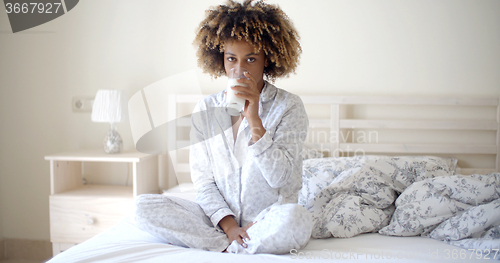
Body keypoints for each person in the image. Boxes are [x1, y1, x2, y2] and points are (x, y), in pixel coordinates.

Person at [135, 0, 311, 254]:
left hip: (267, 221)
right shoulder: (205, 109)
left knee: (298, 218)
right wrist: (229, 227)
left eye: (250, 59)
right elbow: (204, 181)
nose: (239, 70)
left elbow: (281, 178)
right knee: (143, 206)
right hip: (218, 223)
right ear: (221, 60)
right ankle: (232, 245)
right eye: (231, 59)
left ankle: (239, 243)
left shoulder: (289, 107)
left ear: (267, 60)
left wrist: (255, 120)